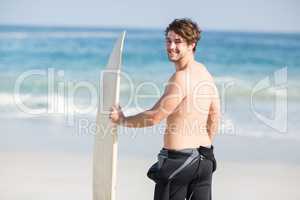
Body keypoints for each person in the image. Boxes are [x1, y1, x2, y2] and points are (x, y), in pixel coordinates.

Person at [109, 18, 220, 200]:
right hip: (205, 160)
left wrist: (121, 120)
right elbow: (215, 114)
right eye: (168, 40)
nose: (171, 46)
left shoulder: (180, 78)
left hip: (179, 163)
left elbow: (154, 117)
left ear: (192, 44)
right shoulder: (204, 72)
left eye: (178, 42)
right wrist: (205, 143)